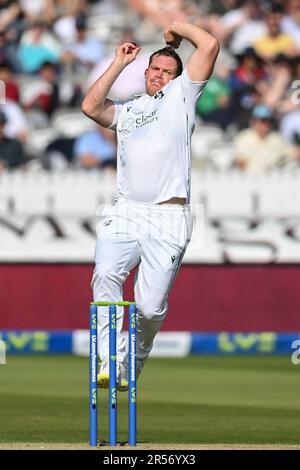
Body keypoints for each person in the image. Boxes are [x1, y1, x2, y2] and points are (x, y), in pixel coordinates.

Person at [82, 22, 219, 390]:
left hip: (168, 216)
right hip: (125, 211)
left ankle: (133, 361)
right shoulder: (127, 112)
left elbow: (208, 43)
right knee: (106, 274)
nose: (159, 76)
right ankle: (107, 358)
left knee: (149, 309)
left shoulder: (182, 98)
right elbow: (90, 106)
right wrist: (117, 64)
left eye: (167, 72)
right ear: (145, 72)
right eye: (154, 69)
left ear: (178, 79)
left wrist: (174, 28)